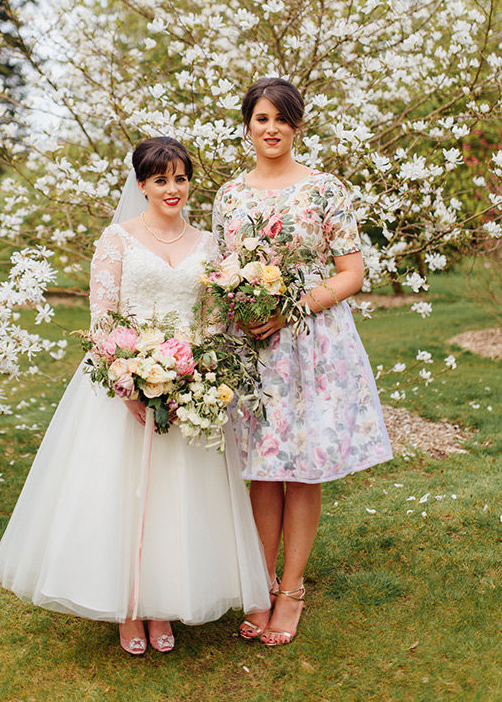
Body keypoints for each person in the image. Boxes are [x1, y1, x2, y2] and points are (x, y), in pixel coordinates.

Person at [0, 136, 270, 656]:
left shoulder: (209, 246)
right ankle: (125, 608)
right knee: (124, 497)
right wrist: (128, 383)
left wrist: (199, 377)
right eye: (160, 179)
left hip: (189, 384)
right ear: (141, 184)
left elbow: (211, 320)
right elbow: (103, 318)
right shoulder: (116, 240)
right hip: (124, 384)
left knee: (177, 497)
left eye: (181, 178)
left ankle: (162, 604)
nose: (172, 189)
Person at [212, 79, 393, 648]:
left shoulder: (325, 191)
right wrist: (237, 307)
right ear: (248, 125)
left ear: (297, 126)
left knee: (302, 466)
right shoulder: (229, 196)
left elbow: (351, 273)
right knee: (263, 467)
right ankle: (259, 583)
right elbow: (220, 270)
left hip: (312, 343)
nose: (271, 128)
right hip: (254, 346)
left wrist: (291, 309)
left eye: (282, 119)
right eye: (261, 118)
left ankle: (291, 590)